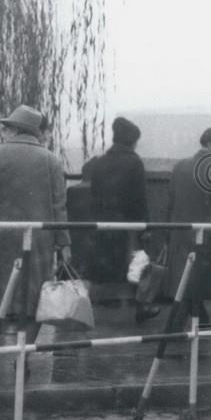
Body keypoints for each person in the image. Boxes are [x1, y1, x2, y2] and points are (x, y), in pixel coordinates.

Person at [0, 105, 71, 377]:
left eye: (8, 127)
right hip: (38, 240)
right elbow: (59, 206)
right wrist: (64, 243)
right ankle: (23, 358)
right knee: (32, 301)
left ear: (16, 129)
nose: (4, 131)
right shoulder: (51, 161)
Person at [163, 127, 211, 326]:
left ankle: (202, 325)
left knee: (187, 283)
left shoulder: (180, 166)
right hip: (204, 240)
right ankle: (175, 331)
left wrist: (168, 235)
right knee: (193, 286)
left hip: (180, 236)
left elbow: (170, 203)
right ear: (210, 144)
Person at [86, 117, 151, 316]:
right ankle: (142, 306)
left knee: (102, 267)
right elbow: (140, 198)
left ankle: (92, 309)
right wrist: (145, 227)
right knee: (138, 264)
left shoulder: (99, 163)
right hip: (127, 225)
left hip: (103, 223)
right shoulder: (134, 162)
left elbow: (93, 193)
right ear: (132, 140)